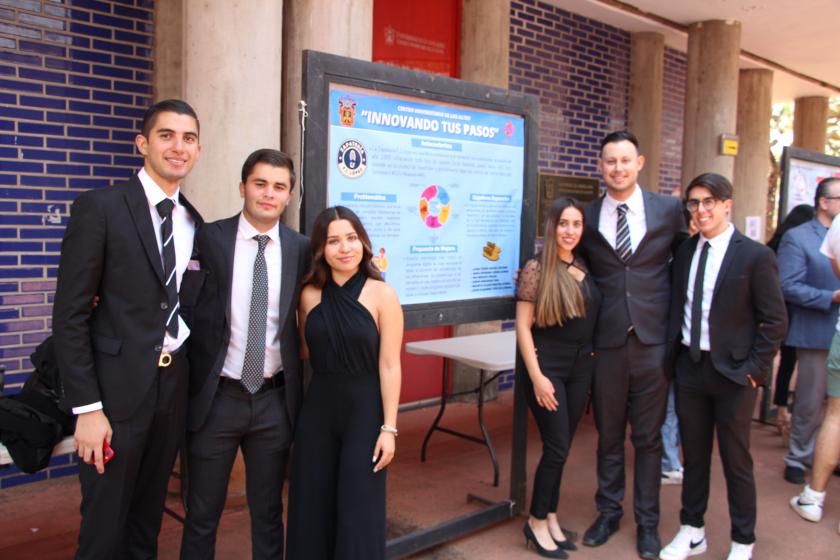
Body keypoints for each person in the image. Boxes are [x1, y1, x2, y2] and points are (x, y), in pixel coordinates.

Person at [52, 99, 204, 558]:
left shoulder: (194, 221)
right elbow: (70, 316)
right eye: (166, 135)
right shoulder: (100, 208)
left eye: (189, 138)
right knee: (103, 529)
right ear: (142, 143)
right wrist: (88, 409)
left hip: (171, 388)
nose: (178, 147)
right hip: (114, 398)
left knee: (146, 523)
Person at [180, 149, 310, 559]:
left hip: (274, 401)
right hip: (217, 398)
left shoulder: (302, 249)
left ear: (290, 196)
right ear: (242, 187)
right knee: (201, 514)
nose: (268, 194)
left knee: (269, 512)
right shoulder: (207, 238)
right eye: (260, 183)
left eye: (279, 187)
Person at [659, 173, 787, 560]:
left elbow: (775, 320)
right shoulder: (685, 251)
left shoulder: (755, 255)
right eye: (694, 203)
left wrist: (754, 369)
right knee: (693, 457)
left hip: (734, 374)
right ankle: (692, 530)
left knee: (736, 460)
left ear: (727, 204)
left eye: (709, 201)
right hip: (691, 368)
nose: (701, 210)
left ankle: (743, 540)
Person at [578, 130, 687, 559]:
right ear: (600, 165)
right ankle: (608, 512)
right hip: (606, 342)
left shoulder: (668, 210)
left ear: (640, 162)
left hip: (653, 341)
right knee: (607, 435)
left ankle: (647, 522)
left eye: (625, 160)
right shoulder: (585, 216)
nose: (617, 168)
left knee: (648, 438)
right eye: (610, 161)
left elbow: (686, 264)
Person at [286, 206, 403, 559]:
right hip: (318, 410)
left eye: (351, 238)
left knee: (359, 509)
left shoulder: (382, 294)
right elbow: (305, 352)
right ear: (320, 249)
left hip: (365, 413)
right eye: (333, 240)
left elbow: (390, 365)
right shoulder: (308, 295)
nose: (345, 248)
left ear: (364, 242)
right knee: (311, 504)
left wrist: (389, 428)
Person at [516, 198, 601, 558]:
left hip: (581, 366)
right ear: (552, 227)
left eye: (576, 224)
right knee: (555, 447)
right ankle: (535, 522)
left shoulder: (582, 263)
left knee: (563, 446)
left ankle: (550, 514)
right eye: (563, 223)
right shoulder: (537, 268)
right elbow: (522, 326)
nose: (570, 231)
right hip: (547, 367)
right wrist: (536, 376)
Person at [778, 179, 840, 485]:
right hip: (817, 329)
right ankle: (798, 456)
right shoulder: (798, 238)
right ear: (824, 202)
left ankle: (828, 456)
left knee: (836, 404)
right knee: (810, 400)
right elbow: (788, 285)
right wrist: (830, 297)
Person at [789, 199, 840, 535]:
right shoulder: (798, 236)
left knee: (835, 414)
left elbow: (837, 264)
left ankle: (814, 496)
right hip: (820, 329)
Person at [767, 204, 817, 442]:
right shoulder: (797, 243)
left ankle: (781, 410)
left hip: (781, 314)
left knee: (785, 363)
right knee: (794, 365)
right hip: (793, 313)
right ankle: (787, 413)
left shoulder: (774, 245)